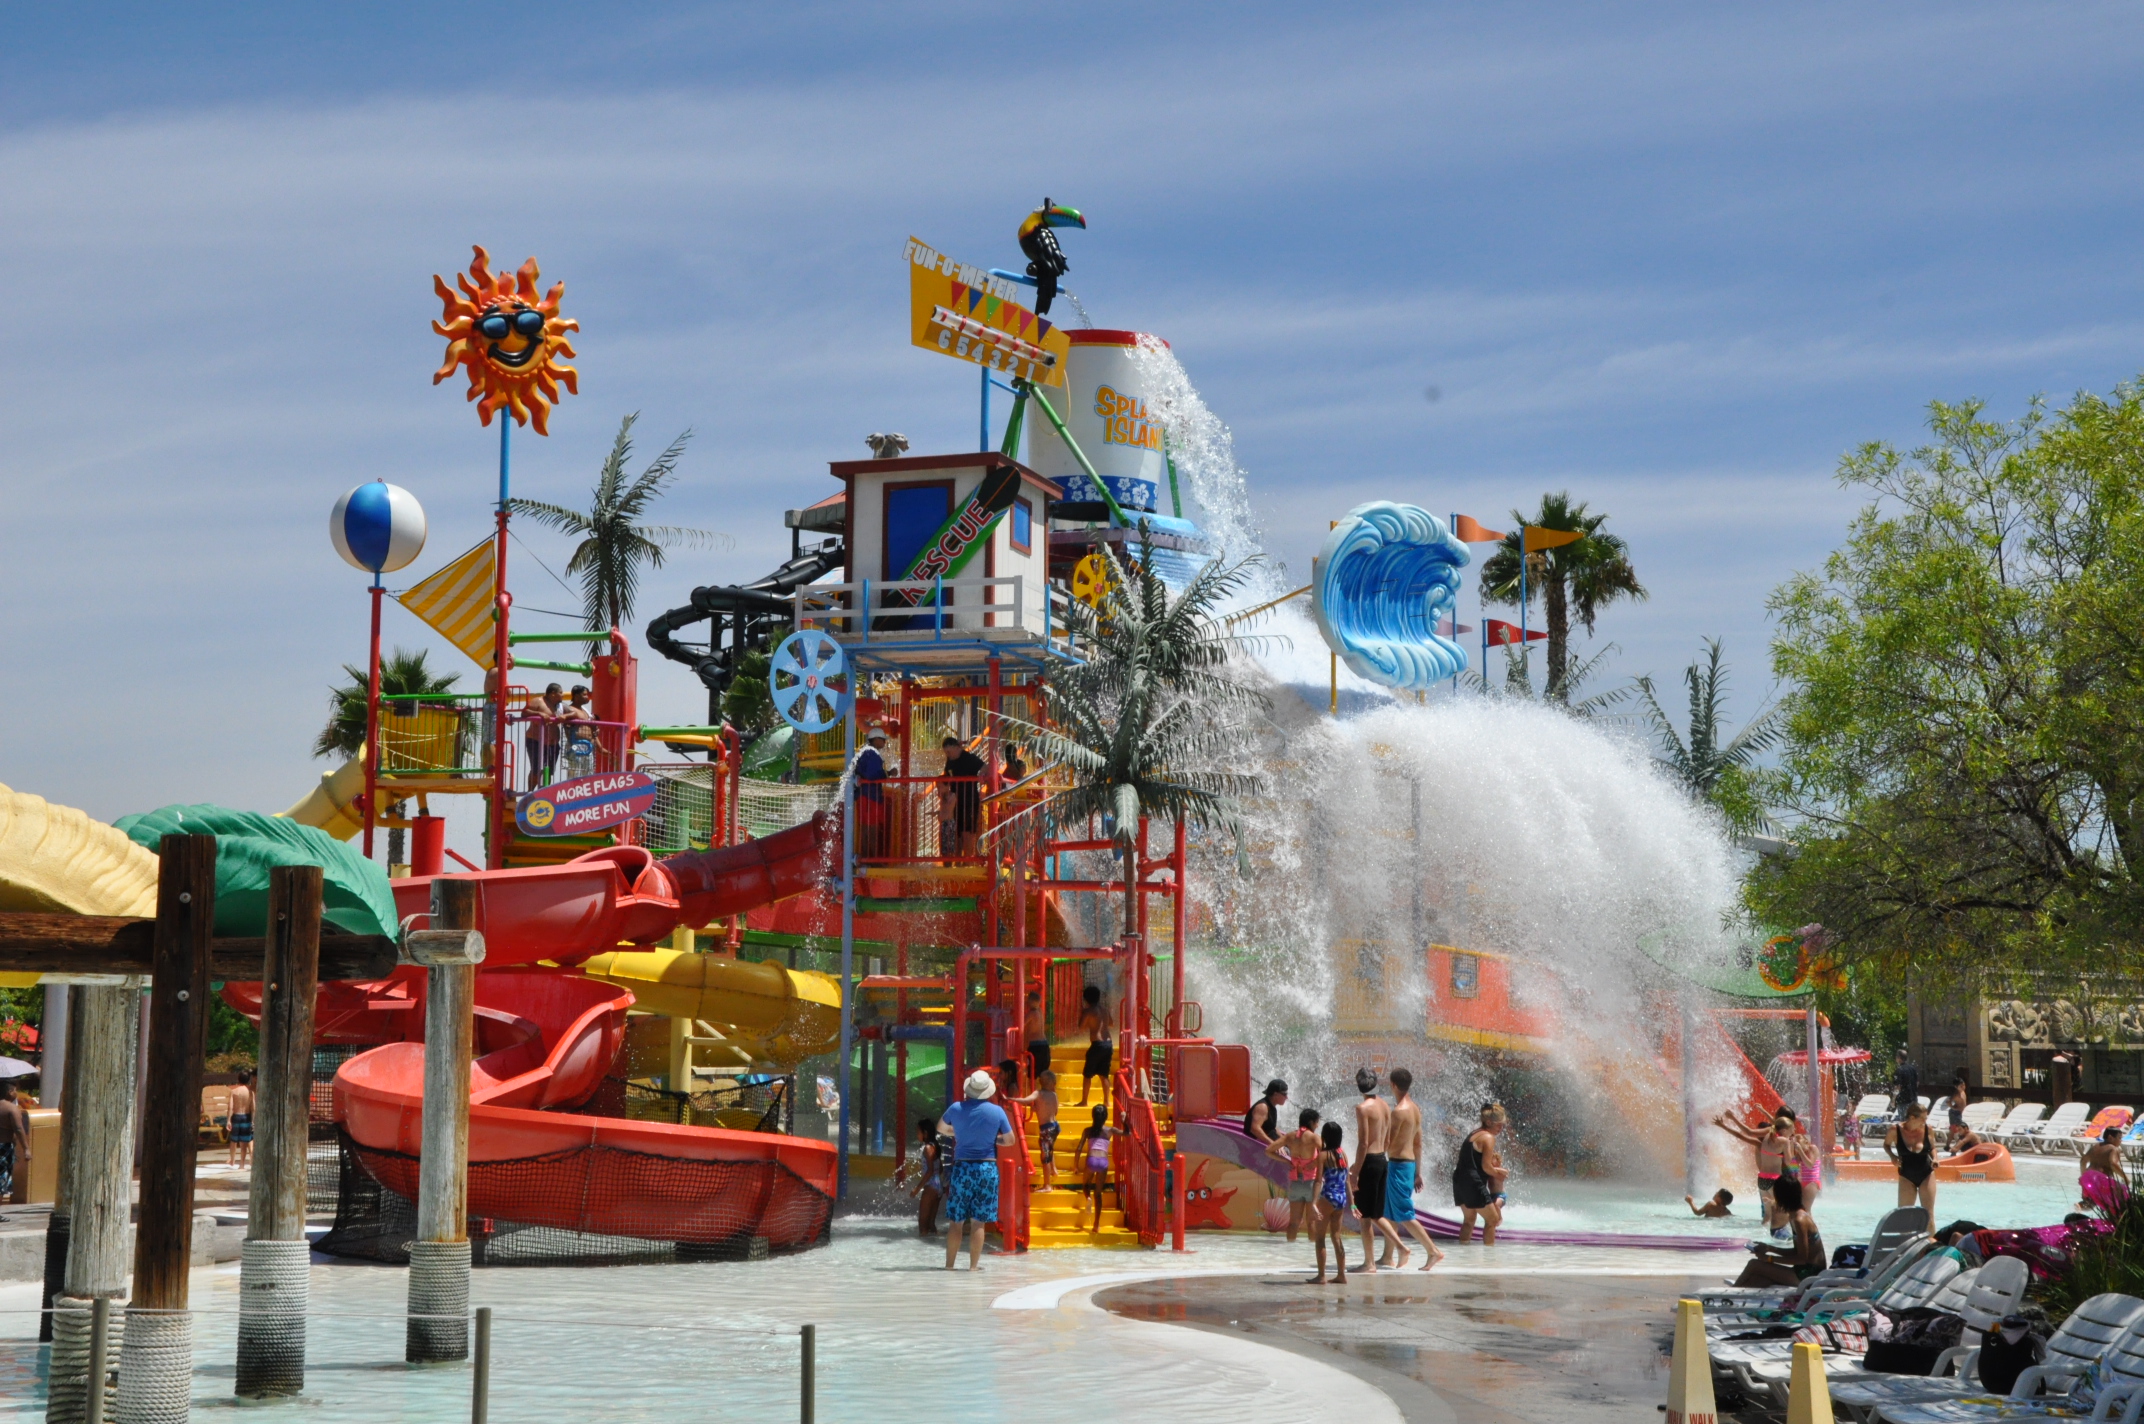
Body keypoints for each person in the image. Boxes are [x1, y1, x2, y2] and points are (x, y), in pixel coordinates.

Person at [938, 1070, 1014, 1271]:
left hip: (962, 1168)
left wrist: (959, 1133)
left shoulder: (956, 1108)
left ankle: (949, 1266)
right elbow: (1010, 1140)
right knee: (978, 1223)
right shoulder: (997, 1111)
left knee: (956, 1222)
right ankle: (973, 1268)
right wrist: (993, 1139)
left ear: (969, 1089)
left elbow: (941, 1128)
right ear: (987, 1090)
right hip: (986, 1168)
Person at [1381, 1067, 1445, 1270]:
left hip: (1398, 1165)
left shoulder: (1398, 1112)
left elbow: (1387, 1143)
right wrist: (1418, 1172)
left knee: (1404, 1214)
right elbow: (1418, 1143)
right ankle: (1387, 1256)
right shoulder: (1415, 1109)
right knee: (1390, 1212)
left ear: (1392, 1085)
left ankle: (1433, 1251)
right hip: (1408, 1166)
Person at [1349, 1067, 1403, 1272]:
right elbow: (1387, 1140)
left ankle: (1369, 1263)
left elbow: (1363, 1143)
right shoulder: (1385, 1105)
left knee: (1364, 1217)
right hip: (1382, 1160)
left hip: (1370, 1162)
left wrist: (1356, 1171)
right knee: (1376, 1213)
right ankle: (1391, 1253)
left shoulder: (1362, 1108)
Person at [1730, 1176, 1827, 1287]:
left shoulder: (1799, 1220)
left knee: (1754, 1264)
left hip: (1809, 1275)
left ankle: (1731, 1292)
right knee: (1757, 1280)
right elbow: (1798, 1252)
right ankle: (1733, 1294)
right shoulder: (1795, 1215)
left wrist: (1769, 1259)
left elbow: (1801, 1259)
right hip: (1804, 1272)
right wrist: (1769, 1248)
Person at [1713, 1106, 1797, 1234]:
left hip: (1762, 1180)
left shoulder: (1766, 1136)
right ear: (1785, 1130)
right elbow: (1789, 1161)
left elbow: (1746, 1133)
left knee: (1767, 1216)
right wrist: (1791, 1146)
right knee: (1784, 1211)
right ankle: (1784, 1236)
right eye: (1792, 1130)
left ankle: (1762, 1236)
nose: (1793, 1132)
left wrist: (1729, 1122)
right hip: (1775, 1180)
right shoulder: (1785, 1141)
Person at [1265, 1107, 1323, 1244]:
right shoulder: (1314, 1137)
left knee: (1293, 1222)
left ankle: (1290, 1250)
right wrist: (1315, 1162)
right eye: (1316, 1122)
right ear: (1311, 1122)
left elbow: (1268, 1150)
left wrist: (1286, 1160)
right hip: (1311, 1183)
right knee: (1311, 1222)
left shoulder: (1290, 1136)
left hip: (1295, 1182)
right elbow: (1327, 1153)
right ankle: (1312, 1252)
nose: (1317, 1125)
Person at [1453, 1103, 1507, 1244]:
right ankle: (1490, 1254)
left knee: (1469, 1220)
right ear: (1489, 1122)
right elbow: (1486, 1167)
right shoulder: (1488, 1137)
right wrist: (1499, 1174)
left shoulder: (1474, 1133)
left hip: (1459, 1180)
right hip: (1473, 1182)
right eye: (1499, 1125)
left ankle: (1463, 1252)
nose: (1501, 1128)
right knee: (1493, 1220)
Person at [1308, 1120, 1351, 1285]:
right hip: (1341, 1199)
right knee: (1336, 1236)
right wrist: (1353, 1203)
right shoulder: (1343, 1154)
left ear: (1324, 1137)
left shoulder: (1323, 1155)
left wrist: (1313, 1203)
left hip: (1328, 1197)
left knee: (1320, 1237)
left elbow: (1318, 1181)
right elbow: (1347, 1181)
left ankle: (1321, 1276)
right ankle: (1341, 1275)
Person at [1886, 1100, 1939, 1223]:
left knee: (1928, 1214)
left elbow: (1932, 1147)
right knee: (1904, 1213)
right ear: (1912, 1117)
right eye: (1923, 1118)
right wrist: (1892, 1156)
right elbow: (1886, 1144)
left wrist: (1935, 1158)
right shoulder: (1895, 1130)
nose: (1925, 1121)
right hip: (1906, 1175)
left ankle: (1931, 1236)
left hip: (1926, 1173)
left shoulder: (1928, 1129)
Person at [1011, 1070, 1062, 1189]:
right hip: (1055, 1126)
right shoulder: (1054, 1095)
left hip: (1046, 1128)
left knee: (1045, 1157)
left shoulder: (1038, 1093)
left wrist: (1012, 1099)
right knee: (1050, 1148)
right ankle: (1054, 1169)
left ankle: (1047, 1185)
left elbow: (1026, 1100)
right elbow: (1055, 1111)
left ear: (1041, 1082)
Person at [938, 735, 986, 860]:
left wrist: (982, 776)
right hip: (956, 801)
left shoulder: (969, 758)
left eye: (949, 751)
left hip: (969, 800)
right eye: (946, 752)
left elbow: (985, 767)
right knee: (957, 832)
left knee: (967, 831)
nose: (948, 755)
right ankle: (958, 860)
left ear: (956, 748)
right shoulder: (950, 761)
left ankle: (968, 860)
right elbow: (946, 775)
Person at [1077, 1105, 1115, 1233]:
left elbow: (1079, 1148)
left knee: (1086, 1184)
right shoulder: (1109, 1131)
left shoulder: (1087, 1130)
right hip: (1103, 1162)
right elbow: (1126, 1133)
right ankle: (1096, 1224)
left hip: (1091, 1161)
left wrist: (1076, 1166)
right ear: (1106, 1117)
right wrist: (1125, 1121)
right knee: (1098, 1193)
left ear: (1092, 1116)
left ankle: (1088, 1197)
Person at [906, 1115, 945, 1237]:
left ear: (925, 1133)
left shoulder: (927, 1148)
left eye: (918, 1132)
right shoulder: (935, 1146)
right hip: (938, 1186)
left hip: (931, 1187)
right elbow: (940, 1168)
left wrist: (917, 1189)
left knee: (923, 1227)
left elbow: (930, 1171)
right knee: (931, 1225)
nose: (917, 1134)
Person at [855, 725, 891, 859]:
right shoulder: (872, 753)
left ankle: (866, 858)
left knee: (866, 828)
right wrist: (888, 773)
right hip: (870, 796)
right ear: (876, 739)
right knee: (872, 828)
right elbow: (873, 775)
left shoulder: (865, 752)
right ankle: (873, 859)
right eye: (883, 739)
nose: (884, 742)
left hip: (865, 795)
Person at [523, 683, 567, 789]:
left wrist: (566, 716)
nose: (563, 695)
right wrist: (539, 714)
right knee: (536, 770)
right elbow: (524, 713)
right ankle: (530, 792)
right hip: (536, 741)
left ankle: (544, 793)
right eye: (560, 693)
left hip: (552, 744)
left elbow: (574, 713)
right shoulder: (538, 701)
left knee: (548, 772)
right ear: (553, 694)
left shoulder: (559, 706)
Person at [1076, 984, 1111, 1106]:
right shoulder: (1104, 1010)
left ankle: (1084, 1101)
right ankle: (1107, 1101)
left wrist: (1084, 1015)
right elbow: (1111, 1023)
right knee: (1104, 1075)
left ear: (1086, 999)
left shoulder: (1089, 1011)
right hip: (1108, 1044)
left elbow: (1081, 1027)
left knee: (1087, 1074)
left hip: (1097, 1044)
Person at [560, 684, 597, 779]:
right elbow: (565, 724)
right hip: (575, 744)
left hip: (588, 745)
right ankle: (572, 788)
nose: (587, 697)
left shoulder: (585, 711)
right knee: (574, 773)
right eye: (584, 695)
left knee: (588, 774)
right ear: (576, 696)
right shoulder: (570, 709)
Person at [2081, 1126, 2129, 1198]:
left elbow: (2083, 1161)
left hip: (2089, 1178)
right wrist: (2125, 1178)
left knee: (2089, 1200)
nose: (2120, 1140)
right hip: (2102, 1181)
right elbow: (2113, 1164)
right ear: (2110, 1137)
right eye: (2119, 1138)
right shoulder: (2114, 1149)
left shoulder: (2095, 1147)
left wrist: (2084, 1176)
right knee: (2121, 1195)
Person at [0, 1081, 28, 1200]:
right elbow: (18, 1129)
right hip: (4, 1147)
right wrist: (26, 1148)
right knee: (2, 1178)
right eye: (15, 1090)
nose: (16, 1093)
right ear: (10, 1092)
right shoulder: (11, 1108)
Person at [1244, 1079, 1287, 1145]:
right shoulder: (1262, 1107)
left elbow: (1272, 1127)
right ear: (1275, 1094)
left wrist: (1285, 1140)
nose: (1286, 1097)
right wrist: (1273, 1144)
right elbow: (1254, 1129)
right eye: (1284, 1094)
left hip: (1268, 1141)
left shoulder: (1272, 1106)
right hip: (1253, 1144)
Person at [227, 1070, 255, 1169]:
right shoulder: (250, 1092)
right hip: (246, 1117)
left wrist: (228, 1120)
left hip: (236, 1116)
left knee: (233, 1140)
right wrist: (253, 1121)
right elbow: (253, 1108)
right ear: (248, 1080)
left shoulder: (234, 1091)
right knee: (244, 1143)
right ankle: (242, 1164)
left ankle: (232, 1160)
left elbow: (230, 1107)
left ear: (238, 1079)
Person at [1023, 990, 1051, 1085]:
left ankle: (1032, 1092)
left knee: (1032, 1073)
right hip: (1044, 1044)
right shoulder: (1040, 1011)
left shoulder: (1032, 1013)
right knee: (1044, 1072)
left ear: (1031, 1001)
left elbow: (1021, 1024)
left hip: (1035, 1046)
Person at [1944, 1073, 1970, 1148]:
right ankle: (1954, 1145)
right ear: (1956, 1087)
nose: (1963, 1087)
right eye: (1961, 1086)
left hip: (1958, 1113)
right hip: (1955, 1113)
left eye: (1964, 1085)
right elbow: (1948, 1102)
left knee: (1955, 1129)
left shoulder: (1962, 1092)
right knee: (1956, 1129)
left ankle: (1949, 1145)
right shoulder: (1956, 1094)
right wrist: (1953, 1107)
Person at [1893, 1048, 1921, 1117]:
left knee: (1904, 1121)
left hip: (1903, 1101)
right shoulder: (1913, 1069)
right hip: (1914, 1100)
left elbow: (1898, 1087)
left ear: (1899, 1058)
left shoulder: (1899, 1070)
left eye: (1896, 1056)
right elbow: (1917, 1083)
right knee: (1913, 1120)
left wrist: (1893, 1099)